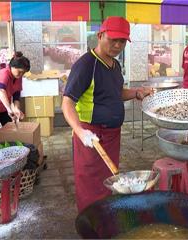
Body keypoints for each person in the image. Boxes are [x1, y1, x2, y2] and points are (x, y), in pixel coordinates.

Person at [61, 16, 151, 213]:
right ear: (100, 35)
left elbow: (115, 93)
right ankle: (91, 221)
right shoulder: (86, 65)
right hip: (91, 135)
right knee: (90, 182)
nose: (118, 45)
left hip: (112, 134)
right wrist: (80, 131)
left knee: (109, 179)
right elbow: (67, 101)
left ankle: (105, 215)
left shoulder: (115, 65)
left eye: (122, 42)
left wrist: (136, 92)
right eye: (113, 40)